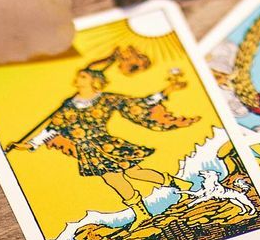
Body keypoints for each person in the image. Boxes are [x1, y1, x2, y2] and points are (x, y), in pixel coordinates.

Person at [10, 55, 199, 221]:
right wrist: (30, 145)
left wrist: (166, 92)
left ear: (94, 80)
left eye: (83, 76)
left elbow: (137, 104)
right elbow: (54, 128)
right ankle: (142, 213)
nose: (78, 78)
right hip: (87, 151)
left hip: (106, 145)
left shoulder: (106, 99)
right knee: (113, 180)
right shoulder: (68, 105)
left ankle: (179, 184)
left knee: (134, 173)